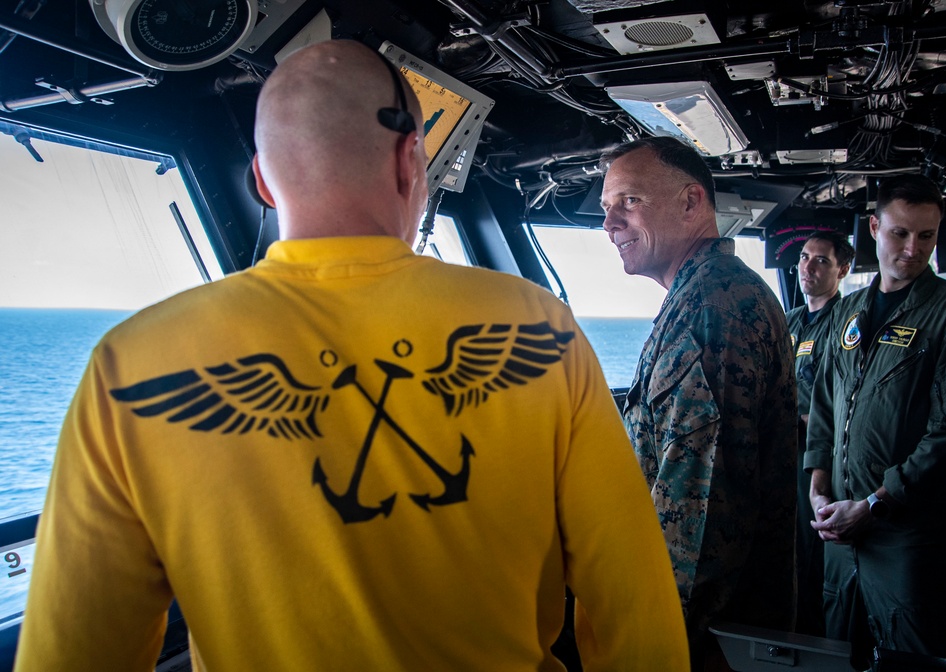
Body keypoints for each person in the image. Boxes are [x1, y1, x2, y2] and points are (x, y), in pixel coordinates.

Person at [14, 40, 690, 671]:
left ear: (261, 182)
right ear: (408, 160)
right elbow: (626, 583)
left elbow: (74, 649)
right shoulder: (536, 325)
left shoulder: (130, 364)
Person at [600, 136, 797, 669]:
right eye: (606, 207)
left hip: (707, 637)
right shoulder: (707, 293)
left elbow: (702, 513)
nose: (609, 223)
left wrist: (655, 642)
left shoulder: (713, 309)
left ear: (691, 202)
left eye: (629, 201)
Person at [805, 174, 946, 663]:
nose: (914, 249)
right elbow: (826, 403)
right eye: (900, 233)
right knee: (834, 655)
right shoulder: (846, 312)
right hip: (839, 531)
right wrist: (818, 484)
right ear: (874, 227)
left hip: (910, 540)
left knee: (913, 655)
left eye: (927, 236)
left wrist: (875, 503)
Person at [785, 231, 855, 637]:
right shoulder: (789, 320)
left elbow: (838, 400)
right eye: (804, 257)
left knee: (813, 554)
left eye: (821, 261)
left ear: (842, 270)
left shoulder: (846, 324)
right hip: (783, 451)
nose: (807, 268)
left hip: (821, 459)